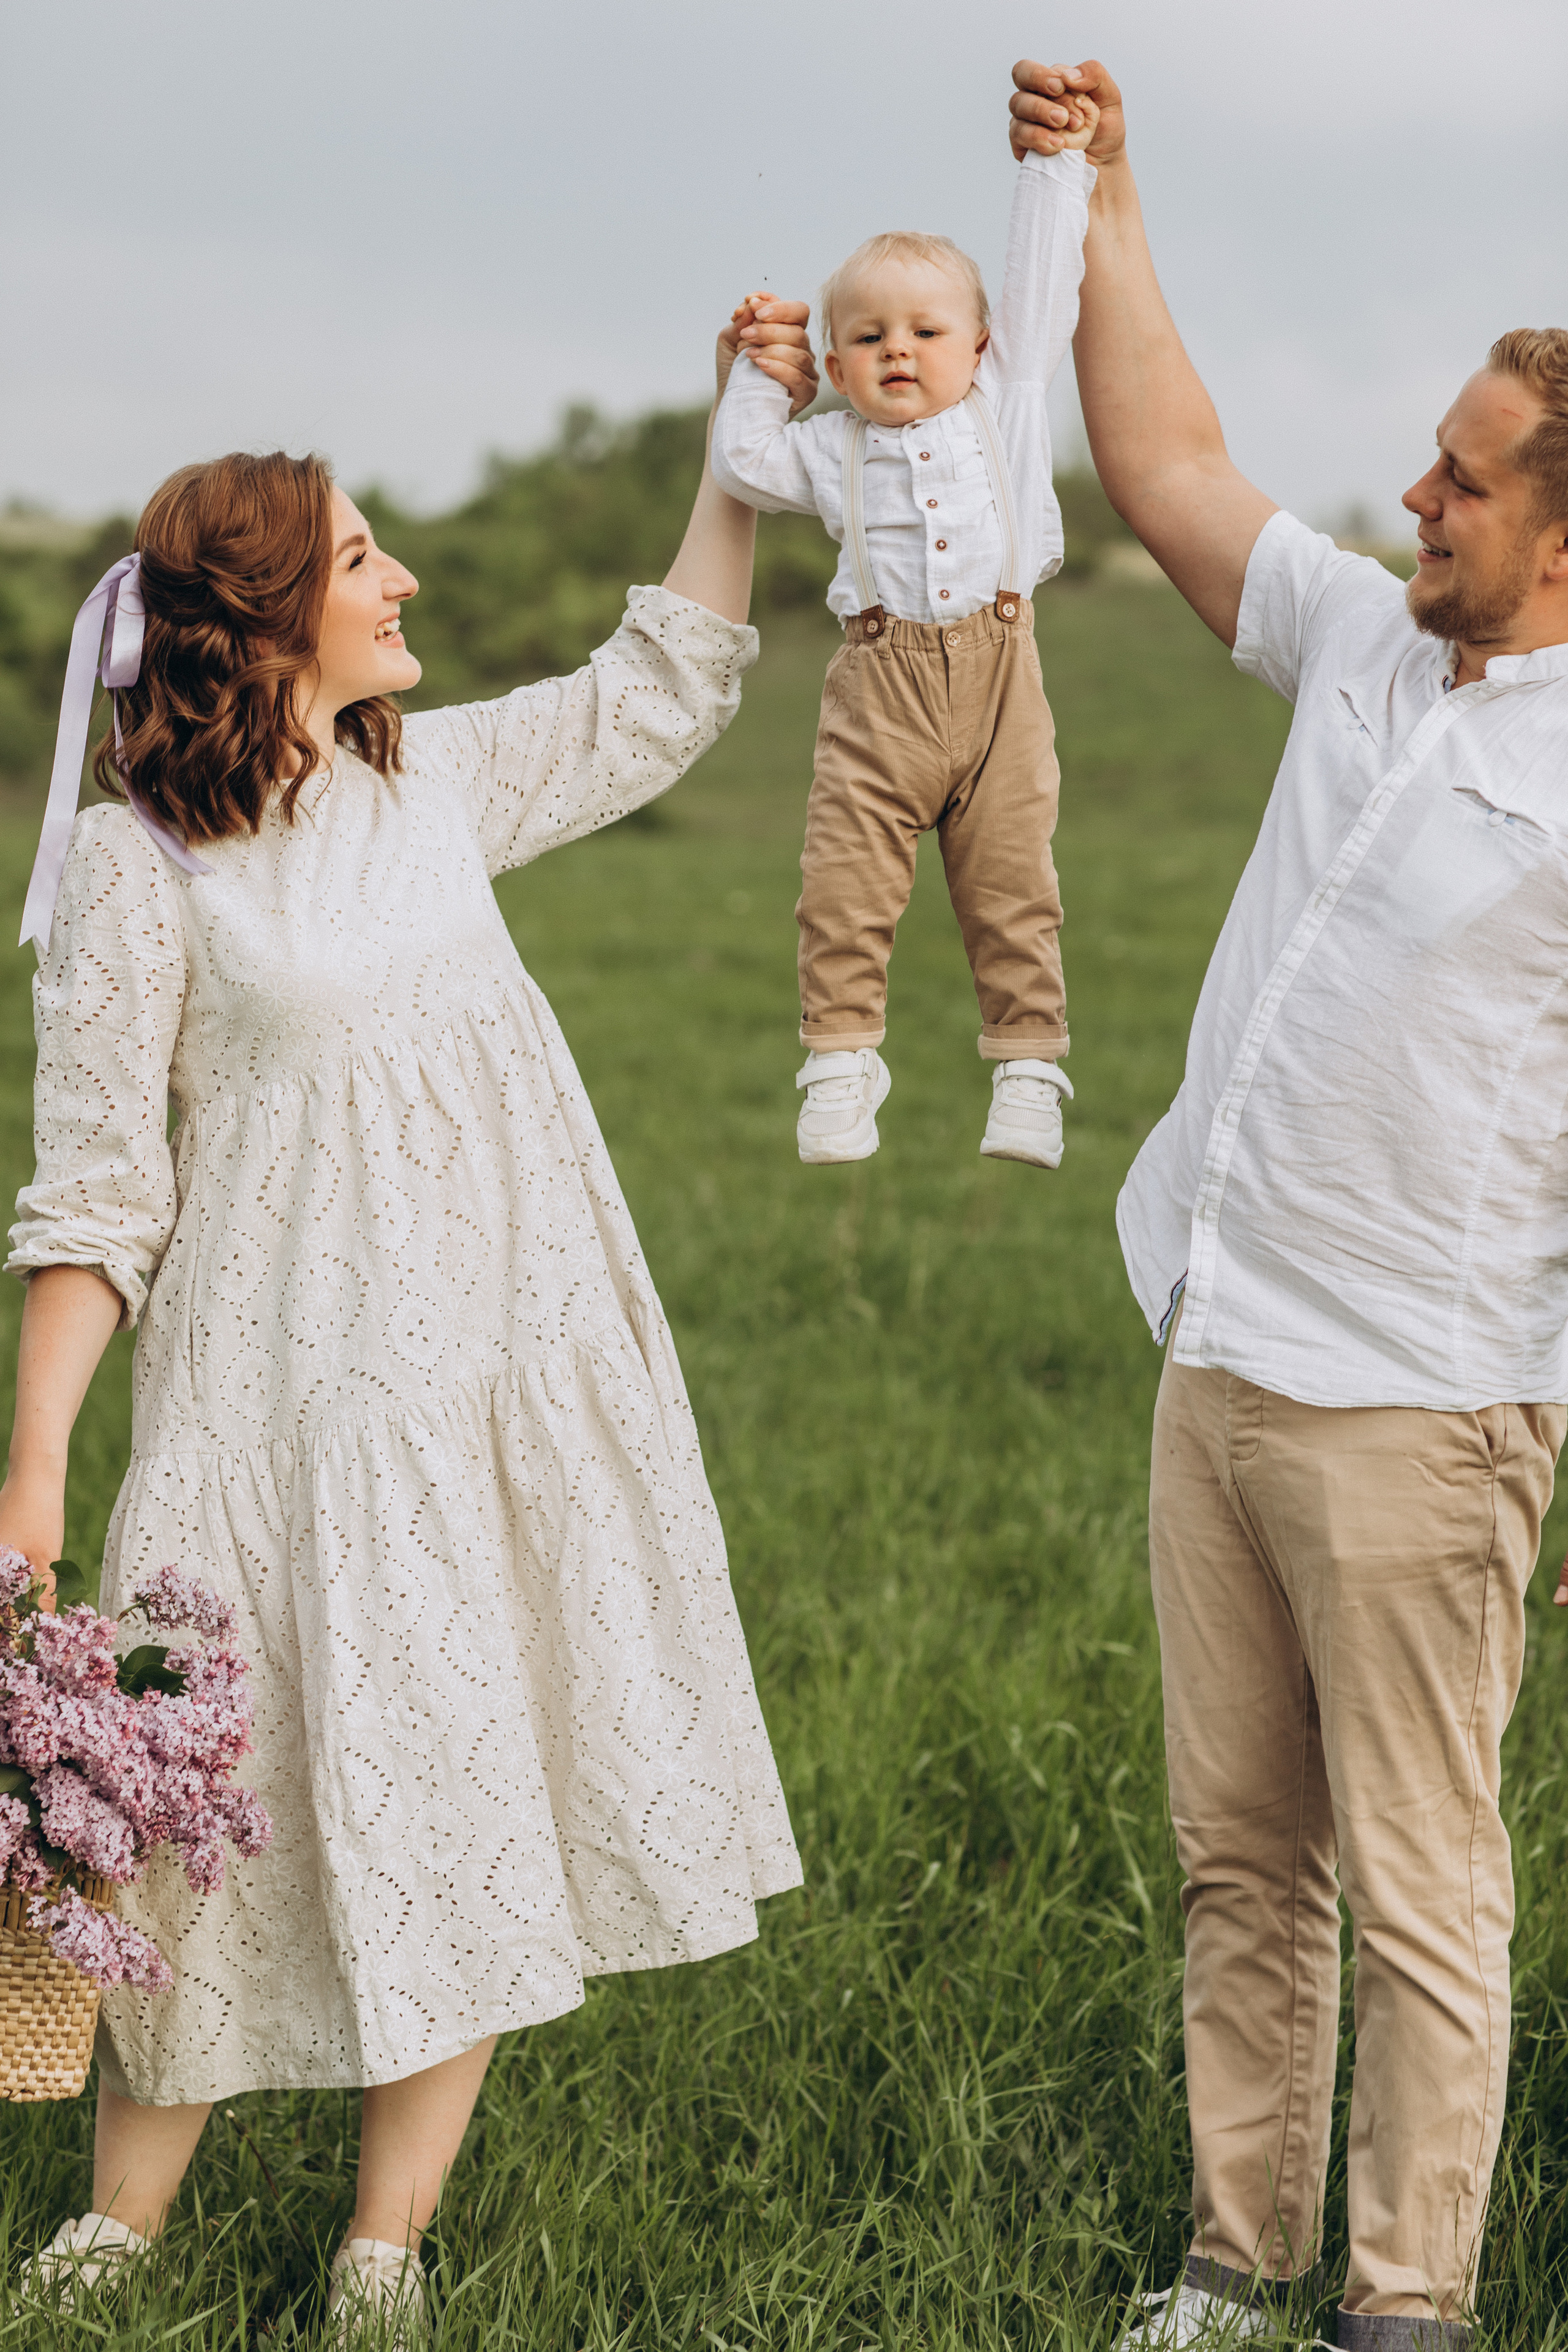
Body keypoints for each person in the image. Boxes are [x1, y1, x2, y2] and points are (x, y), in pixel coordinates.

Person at [2, 302, 818, 2337]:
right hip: (256, 1406)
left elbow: (658, 695)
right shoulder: (138, 867)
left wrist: (740, 442)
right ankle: (119, 2226)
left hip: (481, 1380)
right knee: (185, 1810)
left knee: (456, 1763)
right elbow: (98, 1197)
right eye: (366, 559)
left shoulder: (434, 783)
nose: (408, 580)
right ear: (261, 621)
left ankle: (386, 2243)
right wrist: (31, 1467)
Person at [1011, 54, 1568, 2352]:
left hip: (1420, 1410)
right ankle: (1238, 2268)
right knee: (1243, 1860)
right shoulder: (1363, 639)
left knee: (1425, 1888)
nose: (1416, 492)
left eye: (1467, 472)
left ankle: (1406, 2305)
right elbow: (1161, 458)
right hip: (1220, 1342)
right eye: (1429, 457)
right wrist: (1111, 197)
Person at [709, 100, 1099, 1171]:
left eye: (927, 332)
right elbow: (744, 461)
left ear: (979, 345)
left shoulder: (1007, 407)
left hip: (1000, 684)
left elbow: (1041, 279)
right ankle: (840, 1061)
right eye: (869, 337)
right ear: (837, 369)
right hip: (877, 694)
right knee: (842, 883)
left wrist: (1053, 165)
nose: (900, 352)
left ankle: (1029, 1066)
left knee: (1014, 885)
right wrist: (760, 362)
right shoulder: (831, 448)